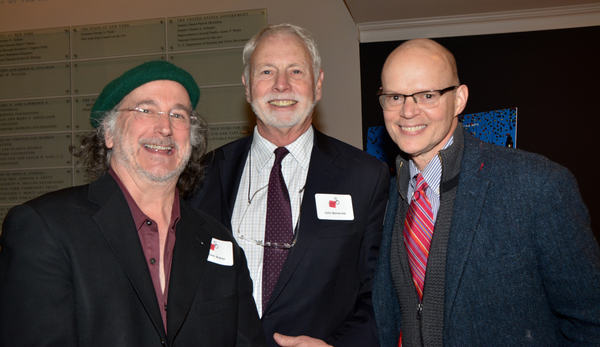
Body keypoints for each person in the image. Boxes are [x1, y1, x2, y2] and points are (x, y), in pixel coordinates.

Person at [0, 61, 265, 346]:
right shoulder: (45, 228)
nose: (165, 127)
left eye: (178, 115)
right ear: (109, 133)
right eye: (146, 110)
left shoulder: (218, 239)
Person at [372, 38, 600, 346]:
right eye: (395, 96)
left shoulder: (537, 184)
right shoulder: (383, 196)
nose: (408, 112)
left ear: (460, 99)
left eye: (427, 95)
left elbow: (590, 321)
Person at [188, 24, 389, 347]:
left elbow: (380, 295)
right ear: (247, 87)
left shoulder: (365, 177)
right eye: (266, 71)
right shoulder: (200, 175)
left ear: (318, 84)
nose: (281, 85)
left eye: (296, 71)